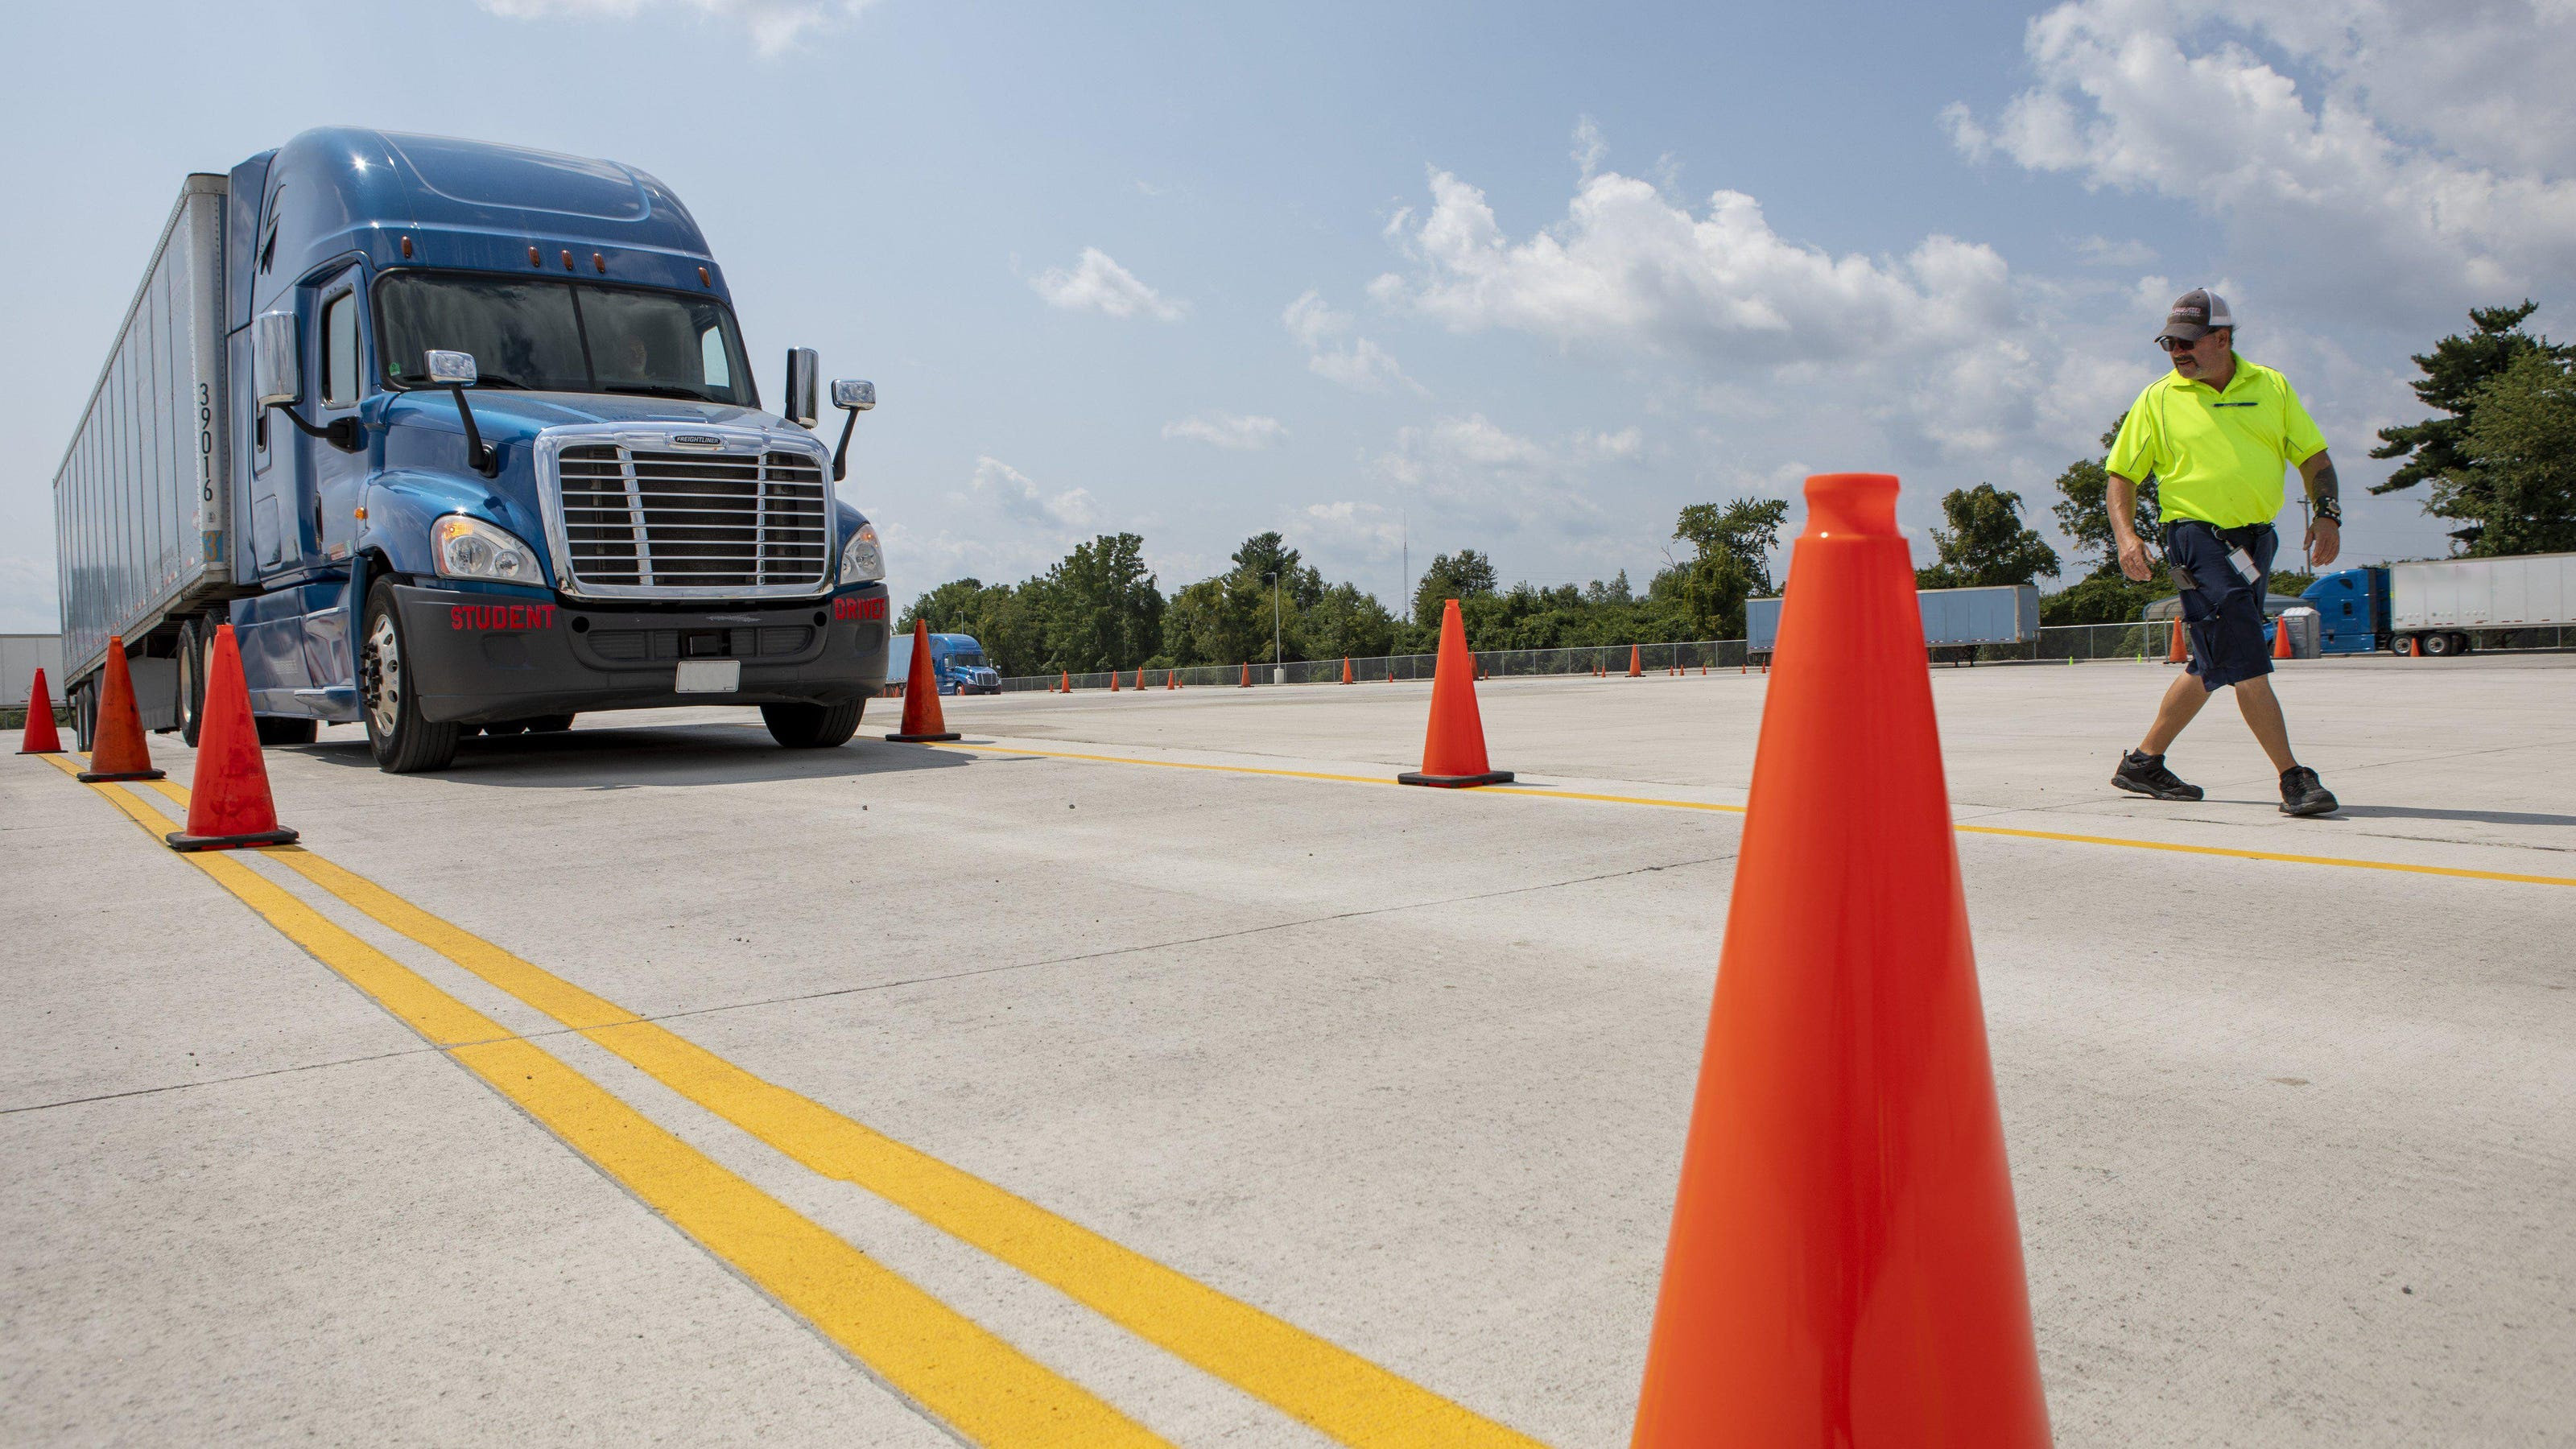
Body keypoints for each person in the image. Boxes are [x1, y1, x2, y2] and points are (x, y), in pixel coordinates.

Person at [2106, 289, 2341, 817]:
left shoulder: (2271, 387)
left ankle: (2143, 763)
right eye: (2169, 343)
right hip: (2195, 539)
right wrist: (2127, 536)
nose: (2177, 352)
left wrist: (2328, 512)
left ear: (2223, 339)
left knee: (2213, 658)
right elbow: (2121, 474)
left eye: (2188, 343)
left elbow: (2313, 457)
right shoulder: (2158, 398)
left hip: (2255, 541)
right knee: (2245, 650)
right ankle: (2293, 777)